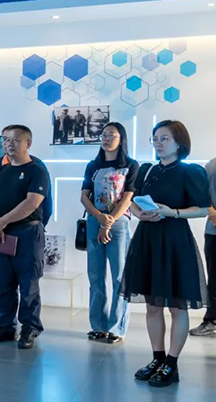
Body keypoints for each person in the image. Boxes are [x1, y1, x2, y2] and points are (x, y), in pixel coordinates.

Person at [120, 120, 210, 387]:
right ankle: (157, 358)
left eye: (164, 138)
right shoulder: (147, 169)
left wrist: (173, 212)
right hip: (147, 239)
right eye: (155, 138)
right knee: (152, 304)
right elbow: (132, 201)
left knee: (176, 305)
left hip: (174, 240)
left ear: (179, 142)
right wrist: (140, 214)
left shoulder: (190, 171)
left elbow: (203, 208)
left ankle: (172, 363)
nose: (158, 143)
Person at [0, 125, 49, 349]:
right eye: (5, 140)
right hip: (0, 234)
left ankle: (30, 328)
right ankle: (5, 326)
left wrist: (3, 221)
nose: (9, 144)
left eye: (15, 140)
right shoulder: (0, 170)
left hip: (27, 233)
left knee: (28, 284)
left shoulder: (36, 170)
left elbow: (32, 202)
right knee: (2, 283)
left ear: (27, 143)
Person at [80, 122, 139, 343]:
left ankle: (116, 328)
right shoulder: (93, 165)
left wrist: (108, 222)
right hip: (95, 220)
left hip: (118, 223)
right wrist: (99, 217)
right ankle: (98, 325)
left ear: (121, 139)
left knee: (119, 276)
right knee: (95, 276)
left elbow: (128, 197)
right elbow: (84, 196)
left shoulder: (131, 165)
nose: (106, 139)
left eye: (111, 135)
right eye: (103, 135)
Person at [190, 154, 216, 336]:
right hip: (214, 232)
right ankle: (211, 320)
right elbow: (202, 194)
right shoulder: (212, 164)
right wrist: (214, 215)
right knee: (214, 279)